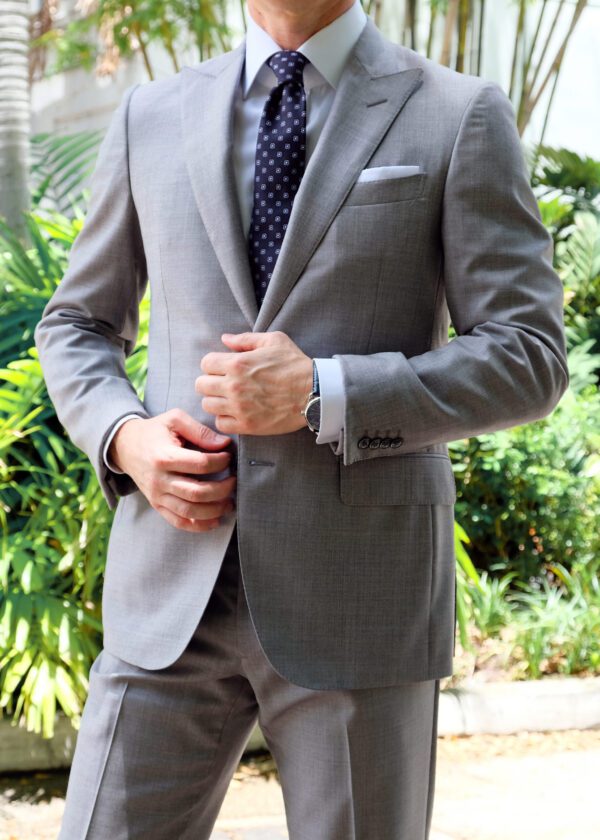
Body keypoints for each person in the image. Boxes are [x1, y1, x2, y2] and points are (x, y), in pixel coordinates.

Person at [34, 0, 569, 837]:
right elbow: (76, 325)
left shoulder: (454, 112)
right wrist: (125, 439)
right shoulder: (152, 114)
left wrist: (325, 391)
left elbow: (529, 354)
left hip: (359, 601)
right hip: (168, 594)